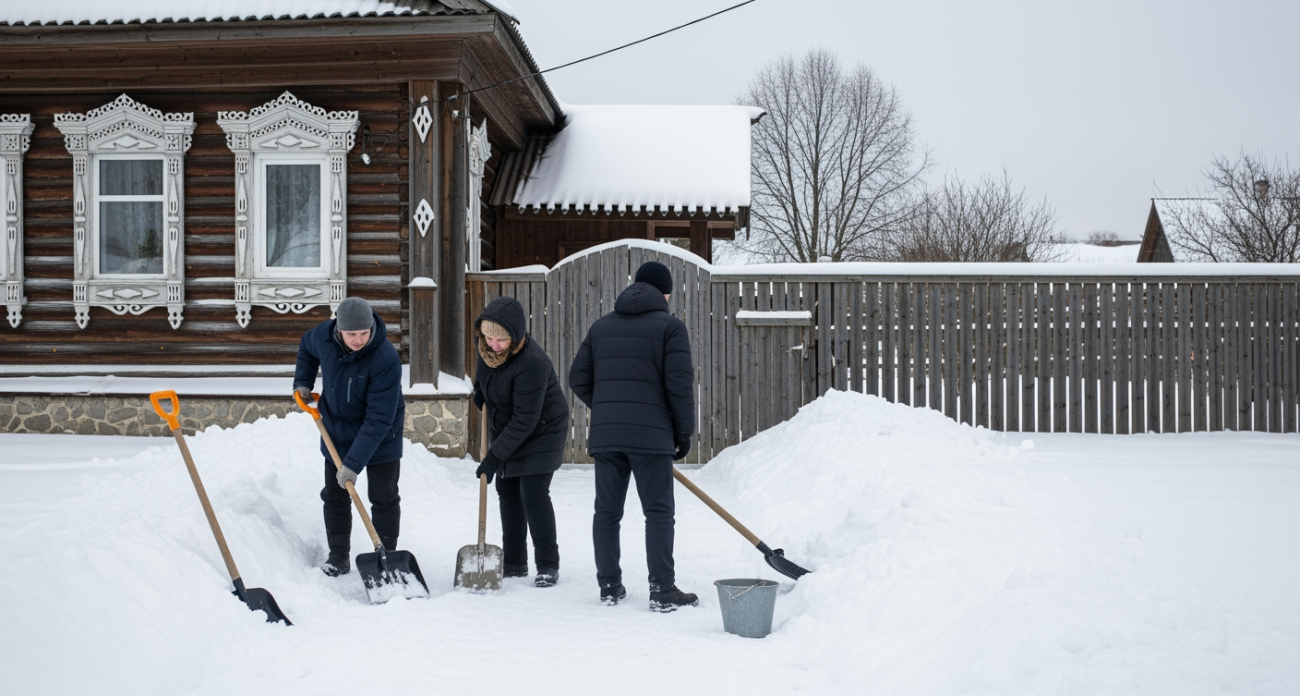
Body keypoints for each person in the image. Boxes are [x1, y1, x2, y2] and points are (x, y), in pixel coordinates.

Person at [569, 260, 698, 612]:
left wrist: (609, 407)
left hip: (607, 437)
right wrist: (682, 432)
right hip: (652, 437)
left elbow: (577, 378)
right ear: (666, 293)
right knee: (658, 512)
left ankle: (609, 587)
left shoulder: (601, 327)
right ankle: (662, 591)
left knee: (606, 512)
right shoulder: (671, 328)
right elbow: (679, 387)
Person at [293, 296, 406, 577]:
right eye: (351, 334)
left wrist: (353, 465)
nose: (358, 340)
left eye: (364, 333)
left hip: (381, 435)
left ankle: (386, 558)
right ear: (338, 329)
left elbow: (379, 419)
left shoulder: (385, 359)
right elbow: (306, 348)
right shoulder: (324, 336)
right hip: (337, 429)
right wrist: (303, 382)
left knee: (384, 497)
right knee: (335, 494)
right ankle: (338, 556)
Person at [472, 296, 569, 587]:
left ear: (516, 337)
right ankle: (514, 562)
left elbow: (526, 419)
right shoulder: (486, 350)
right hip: (511, 429)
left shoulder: (532, 363)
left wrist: (493, 457)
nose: (494, 345)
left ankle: (547, 564)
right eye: (489, 338)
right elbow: (485, 384)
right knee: (507, 490)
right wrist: (480, 393)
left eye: (501, 341)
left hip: (543, 430)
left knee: (533, 493)